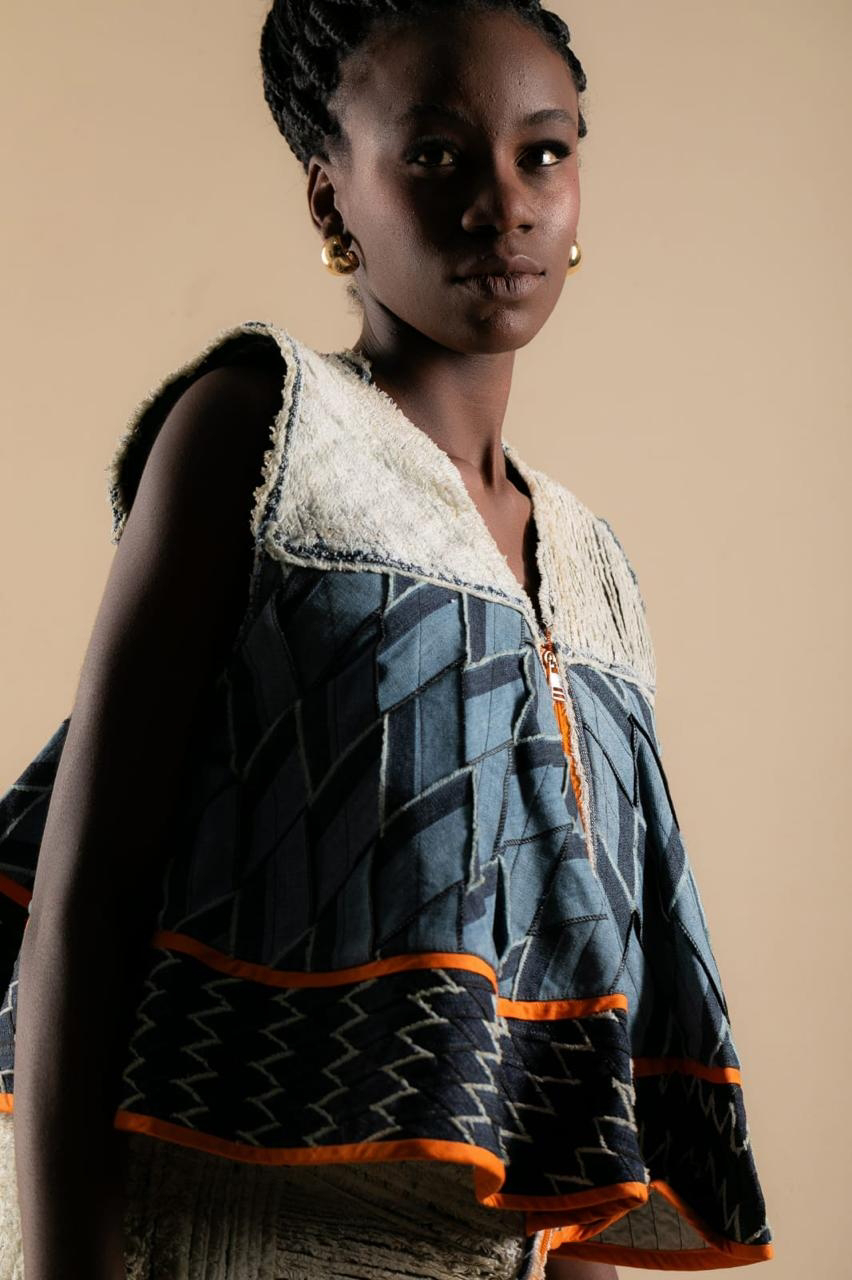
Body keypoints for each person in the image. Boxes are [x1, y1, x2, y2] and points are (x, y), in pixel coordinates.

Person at [0, 2, 774, 1278]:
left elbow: (581, 1045)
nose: (504, 203)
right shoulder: (263, 435)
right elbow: (84, 905)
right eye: (435, 154)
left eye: (542, 152)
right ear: (331, 198)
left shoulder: (593, 565)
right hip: (199, 1237)